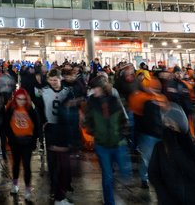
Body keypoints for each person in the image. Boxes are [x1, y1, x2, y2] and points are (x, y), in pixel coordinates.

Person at [84, 74, 131, 205]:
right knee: (107, 175)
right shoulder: (91, 103)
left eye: (96, 88)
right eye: (93, 89)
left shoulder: (114, 101)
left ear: (103, 88)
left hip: (117, 142)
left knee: (124, 172)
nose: (94, 91)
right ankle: (110, 201)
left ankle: (119, 194)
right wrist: (95, 132)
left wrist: (121, 133)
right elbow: (88, 122)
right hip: (102, 145)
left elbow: (123, 118)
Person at [148, 104, 195, 205]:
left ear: (180, 126)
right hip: (168, 199)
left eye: (170, 124)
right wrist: (163, 195)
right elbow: (153, 173)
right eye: (165, 123)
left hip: (192, 198)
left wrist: (175, 148)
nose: (167, 127)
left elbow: (194, 170)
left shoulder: (193, 145)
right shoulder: (159, 147)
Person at [36, 68, 77, 205]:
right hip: (51, 128)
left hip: (64, 129)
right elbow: (38, 107)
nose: (53, 82)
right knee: (52, 160)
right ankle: (55, 187)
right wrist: (42, 122)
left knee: (65, 161)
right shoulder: (44, 92)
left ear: (61, 79)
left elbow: (73, 109)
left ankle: (64, 186)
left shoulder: (67, 92)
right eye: (51, 80)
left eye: (56, 79)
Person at [3, 87, 40, 201]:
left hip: (27, 141)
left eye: (24, 99)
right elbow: (6, 124)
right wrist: (11, 138)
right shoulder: (11, 108)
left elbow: (37, 124)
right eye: (19, 99)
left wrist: (34, 140)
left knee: (27, 165)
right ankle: (15, 184)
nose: (21, 101)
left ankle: (28, 189)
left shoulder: (30, 108)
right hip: (15, 141)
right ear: (15, 98)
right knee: (16, 163)